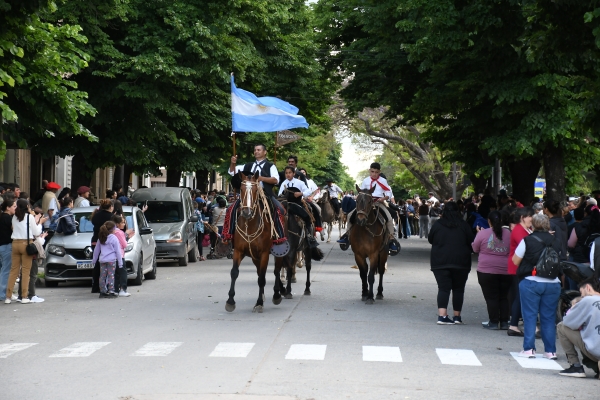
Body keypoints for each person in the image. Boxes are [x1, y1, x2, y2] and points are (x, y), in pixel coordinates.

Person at [512, 213, 562, 359]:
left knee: (530, 316)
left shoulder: (527, 240)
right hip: (553, 283)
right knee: (548, 317)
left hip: (531, 280)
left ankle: (529, 349)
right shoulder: (556, 241)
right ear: (548, 225)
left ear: (533, 225)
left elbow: (515, 261)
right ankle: (550, 351)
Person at [224, 144, 286, 244]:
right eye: (255, 150)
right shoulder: (248, 165)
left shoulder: (270, 166)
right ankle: (228, 235)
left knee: (280, 209)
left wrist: (261, 178)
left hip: (265, 195)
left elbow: (275, 180)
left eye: (258, 150)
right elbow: (232, 171)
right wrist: (232, 163)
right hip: (248, 195)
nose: (256, 151)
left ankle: (278, 236)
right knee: (230, 209)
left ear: (265, 152)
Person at [428, 201, 475, 324]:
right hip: (461, 261)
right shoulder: (464, 225)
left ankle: (442, 316)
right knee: (459, 289)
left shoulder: (438, 225)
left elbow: (430, 239)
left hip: (440, 261)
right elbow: (472, 241)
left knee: (443, 288)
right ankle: (457, 316)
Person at [337, 162, 399, 254]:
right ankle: (347, 235)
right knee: (350, 215)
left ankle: (391, 238)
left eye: (376, 172)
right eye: (372, 171)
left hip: (378, 202)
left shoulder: (383, 181)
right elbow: (362, 192)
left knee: (389, 218)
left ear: (379, 172)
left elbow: (388, 193)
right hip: (366, 203)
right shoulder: (366, 180)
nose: (374, 174)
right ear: (369, 171)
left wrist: (383, 198)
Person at [472, 210, 512, 330]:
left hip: (486, 270)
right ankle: (504, 321)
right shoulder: (509, 234)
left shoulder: (483, 234)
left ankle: (493, 322)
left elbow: (475, 248)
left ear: (488, 221)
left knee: (491, 297)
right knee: (504, 296)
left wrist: (479, 234)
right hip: (506, 269)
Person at [557, 277, 600, 378]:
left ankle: (575, 366)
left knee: (561, 326)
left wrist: (573, 308)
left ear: (588, 288)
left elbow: (568, 322)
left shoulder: (588, 300)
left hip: (596, 351)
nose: (581, 295)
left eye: (581, 292)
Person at [4, 200, 44, 304]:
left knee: (13, 271)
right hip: (26, 244)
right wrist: (39, 223)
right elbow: (36, 232)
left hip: (15, 243)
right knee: (26, 271)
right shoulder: (29, 217)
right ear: (26, 206)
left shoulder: (14, 217)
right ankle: (24, 296)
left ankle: (8, 297)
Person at [507, 207, 534, 337]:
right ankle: (513, 325)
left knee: (520, 296)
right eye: (530, 216)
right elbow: (527, 245)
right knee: (519, 296)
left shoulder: (525, 229)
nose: (532, 219)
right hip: (518, 267)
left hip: (522, 267)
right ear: (523, 217)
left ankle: (514, 324)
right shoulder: (518, 230)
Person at [278, 166, 319, 247]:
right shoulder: (283, 183)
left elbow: (308, 191)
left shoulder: (299, 183)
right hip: (286, 204)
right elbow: (279, 194)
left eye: (290, 173)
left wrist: (301, 193)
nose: (288, 174)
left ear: (294, 173)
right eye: (286, 173)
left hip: (297, 204)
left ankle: (309, 236)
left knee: (306, 216)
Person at [91, 221, 122, 298]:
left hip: (102, 260)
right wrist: (120, 262)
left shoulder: (101, 238)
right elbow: (118, 251)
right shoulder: (114, 238)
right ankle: (111, 290)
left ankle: (102, 291)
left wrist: (94, 260)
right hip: (111, 260)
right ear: (113, 230)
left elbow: (96, 250)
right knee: (111, 275)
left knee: (102, 276)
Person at [91, 199, 115, 293]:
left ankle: (96, 287)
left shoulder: (96, 215)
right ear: (111, 207)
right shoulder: (111, 217)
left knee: (97, 265)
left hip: (95, 240)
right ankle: (110, 287)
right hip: (107, 242)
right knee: (108, 266)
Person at [110, 215, 131, 297]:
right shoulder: (120, 232)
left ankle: (115, 289)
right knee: (123, 272)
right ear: (117, 224)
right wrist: (127, 236)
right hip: (120, 255)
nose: (124, 224)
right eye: (122, 222)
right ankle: (123, 289)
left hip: (112, 256)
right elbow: (125, 244)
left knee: (115, 273)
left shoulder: (110, 232)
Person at [0, 199, 16, 302]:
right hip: (7, 246)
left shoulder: (1, 217)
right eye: (14, 206)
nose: (15, 208)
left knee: (2, 270)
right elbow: (15, 230)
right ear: (8, 207)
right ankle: (3, 293)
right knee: (6, 271)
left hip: (2, 246)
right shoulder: (8, 218)